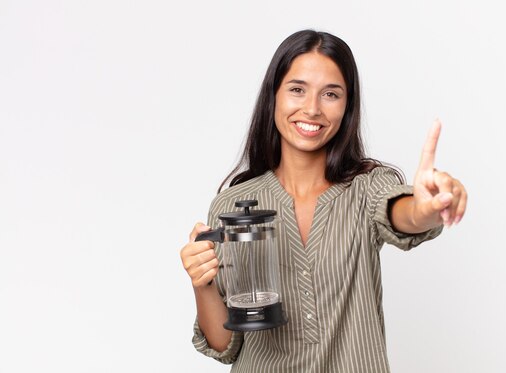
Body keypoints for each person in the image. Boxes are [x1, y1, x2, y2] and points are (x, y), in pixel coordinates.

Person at [180, 29, 467, 373]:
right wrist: (203, 283)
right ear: (274, 96)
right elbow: (224, 345)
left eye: (331, 94)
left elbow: (401, 213)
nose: (312, 109)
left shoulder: (367, 187)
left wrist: (424, 209)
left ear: (347, 107)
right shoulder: (233, 204)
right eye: (297, 90)